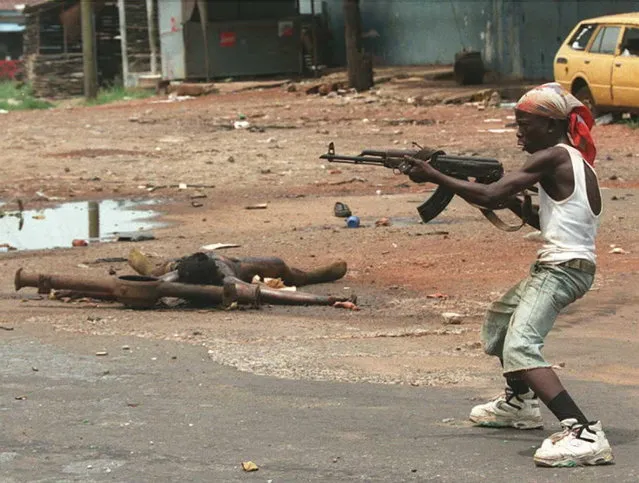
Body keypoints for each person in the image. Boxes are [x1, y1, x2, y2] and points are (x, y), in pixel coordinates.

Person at [405, 82, 613, 468]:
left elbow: (490, 196)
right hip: (564, 265)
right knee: (500, 324)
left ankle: (583, 432)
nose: (518, 133)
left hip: (562, 270)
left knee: (520, 345)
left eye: (524, 125)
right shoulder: (573, 161)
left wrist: (433, 175)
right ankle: (520, 403)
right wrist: (506, 199)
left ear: (551, 126)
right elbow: (544, 218)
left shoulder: (553, 157)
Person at [128, 249, 348, 288]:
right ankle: (139, 261)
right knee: (152, 275)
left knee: (281, 267)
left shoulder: (227, 274)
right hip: (186, 267)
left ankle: (310, 277)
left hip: (230, 264)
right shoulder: (176, 271)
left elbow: (243, 287)